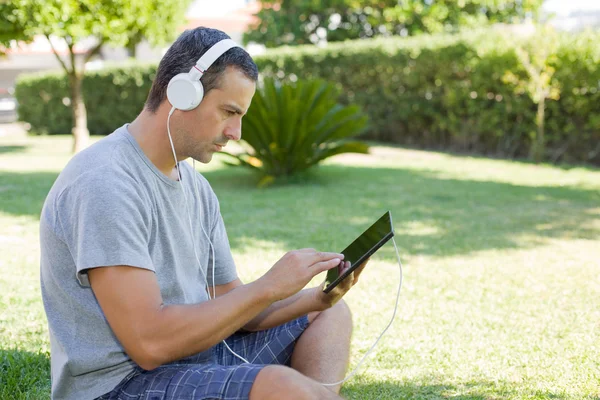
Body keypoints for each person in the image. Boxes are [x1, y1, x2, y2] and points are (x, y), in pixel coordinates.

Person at [40, 27, 366, 400]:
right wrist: (268, 286)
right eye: (229, 112)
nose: (236, 132)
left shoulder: (196, 187)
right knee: (281, 386)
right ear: (182, 92)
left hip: (197, 357)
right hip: (121, 385)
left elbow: (237, 306)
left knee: (330, 317)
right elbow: (149, 344)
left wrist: (316, 298)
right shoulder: (105, 183)